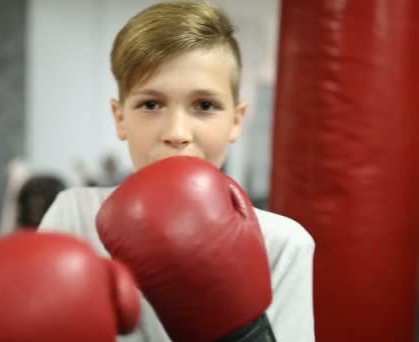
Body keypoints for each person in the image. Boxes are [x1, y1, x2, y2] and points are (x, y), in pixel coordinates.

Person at [38, 2, 315, 341]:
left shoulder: (283, 243)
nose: (177, 133)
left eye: (205, 105)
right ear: (120, 117)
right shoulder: (73, 215)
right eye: (151, 104)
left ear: (237, 120)